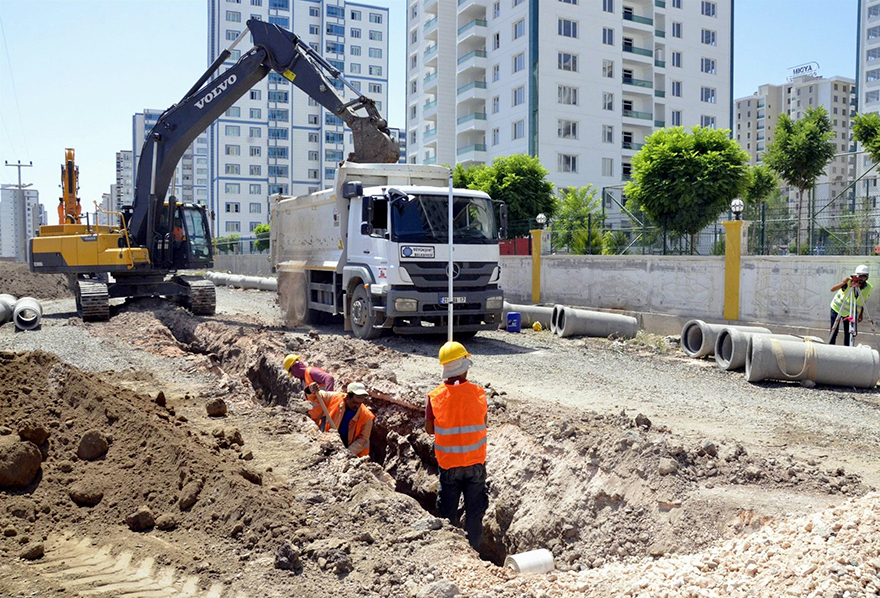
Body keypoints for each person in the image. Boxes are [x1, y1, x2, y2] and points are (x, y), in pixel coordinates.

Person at [425, 341, 488, 552]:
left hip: (450, 465)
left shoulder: (434, 397)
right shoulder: (479, 393)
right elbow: (482, 419)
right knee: (474, 514)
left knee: (448, 514)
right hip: (475, 465)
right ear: (464, 368)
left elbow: (429, 430)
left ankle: (450, 554)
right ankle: (474, 553)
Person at [307, 382, 374, 457]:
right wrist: (310, 390)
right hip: (331, 445)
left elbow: (362, 439)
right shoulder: (336, 398)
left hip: (353, 454)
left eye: (360, 403)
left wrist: (347, 453)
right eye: (355, 402)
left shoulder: (366, 416)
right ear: (348, 397)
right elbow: (320, 395)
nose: (357, 406)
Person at [283, 354, 335, 424]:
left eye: (292, 372)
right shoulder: (303, 380)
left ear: (295, 368)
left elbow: (329, 378)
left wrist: (328, 398)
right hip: (319, 418)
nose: (293, 376)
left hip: (327, 414)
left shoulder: (312, 372)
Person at [829, 264, 873, 346]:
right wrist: (843, 283)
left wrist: (861, 314)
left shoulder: (868, 287)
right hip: (837, 308)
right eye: (859, 276)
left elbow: (863, 301)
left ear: (867, 277)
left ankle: (847, 351)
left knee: (849, 333)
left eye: (863, 277)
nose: (860, 279)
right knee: (834, 331)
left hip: (850, 312)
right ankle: (830, 349)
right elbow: (832, 289)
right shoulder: (849, 282)